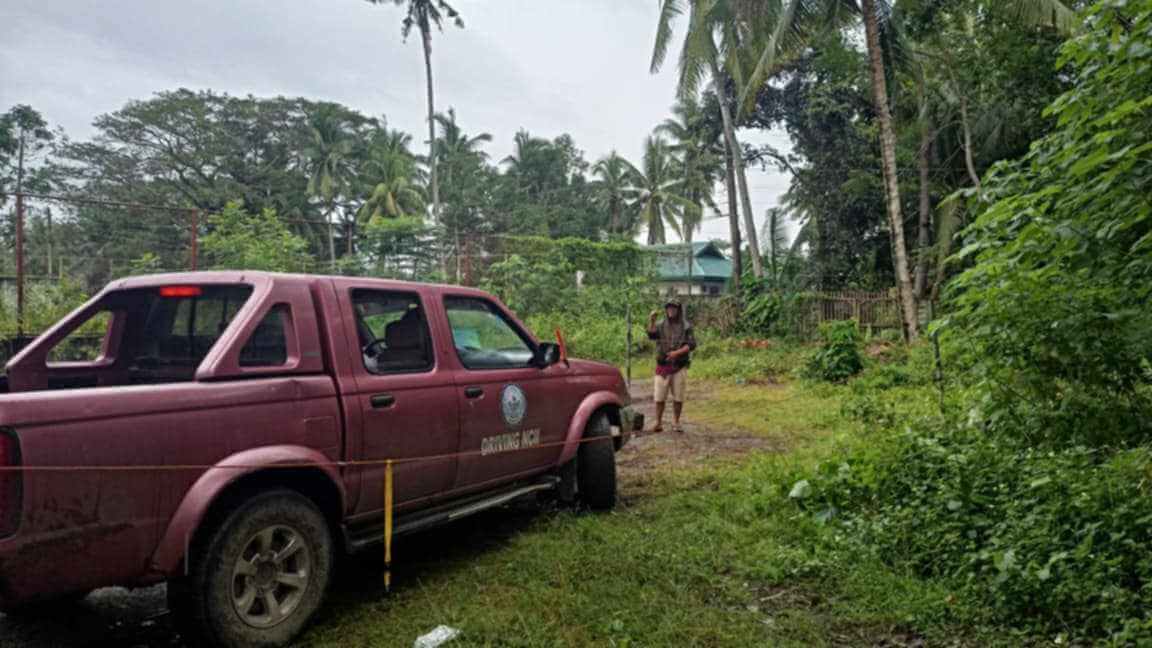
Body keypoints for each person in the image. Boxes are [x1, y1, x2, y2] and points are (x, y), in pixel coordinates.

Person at [647, 299, 697, 433]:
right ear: (666, 310)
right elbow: (651, 335)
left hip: (679, 366)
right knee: (659, 396)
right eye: (668, 308)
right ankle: (658, 423)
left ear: (678, 310)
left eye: (674, 308)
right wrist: (651, 320)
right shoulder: (660, 324)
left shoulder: (686, 326)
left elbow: (691, 345)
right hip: (662, 365)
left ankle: (676, 422)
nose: (671, 310)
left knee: (678, 396)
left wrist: (677, 353)